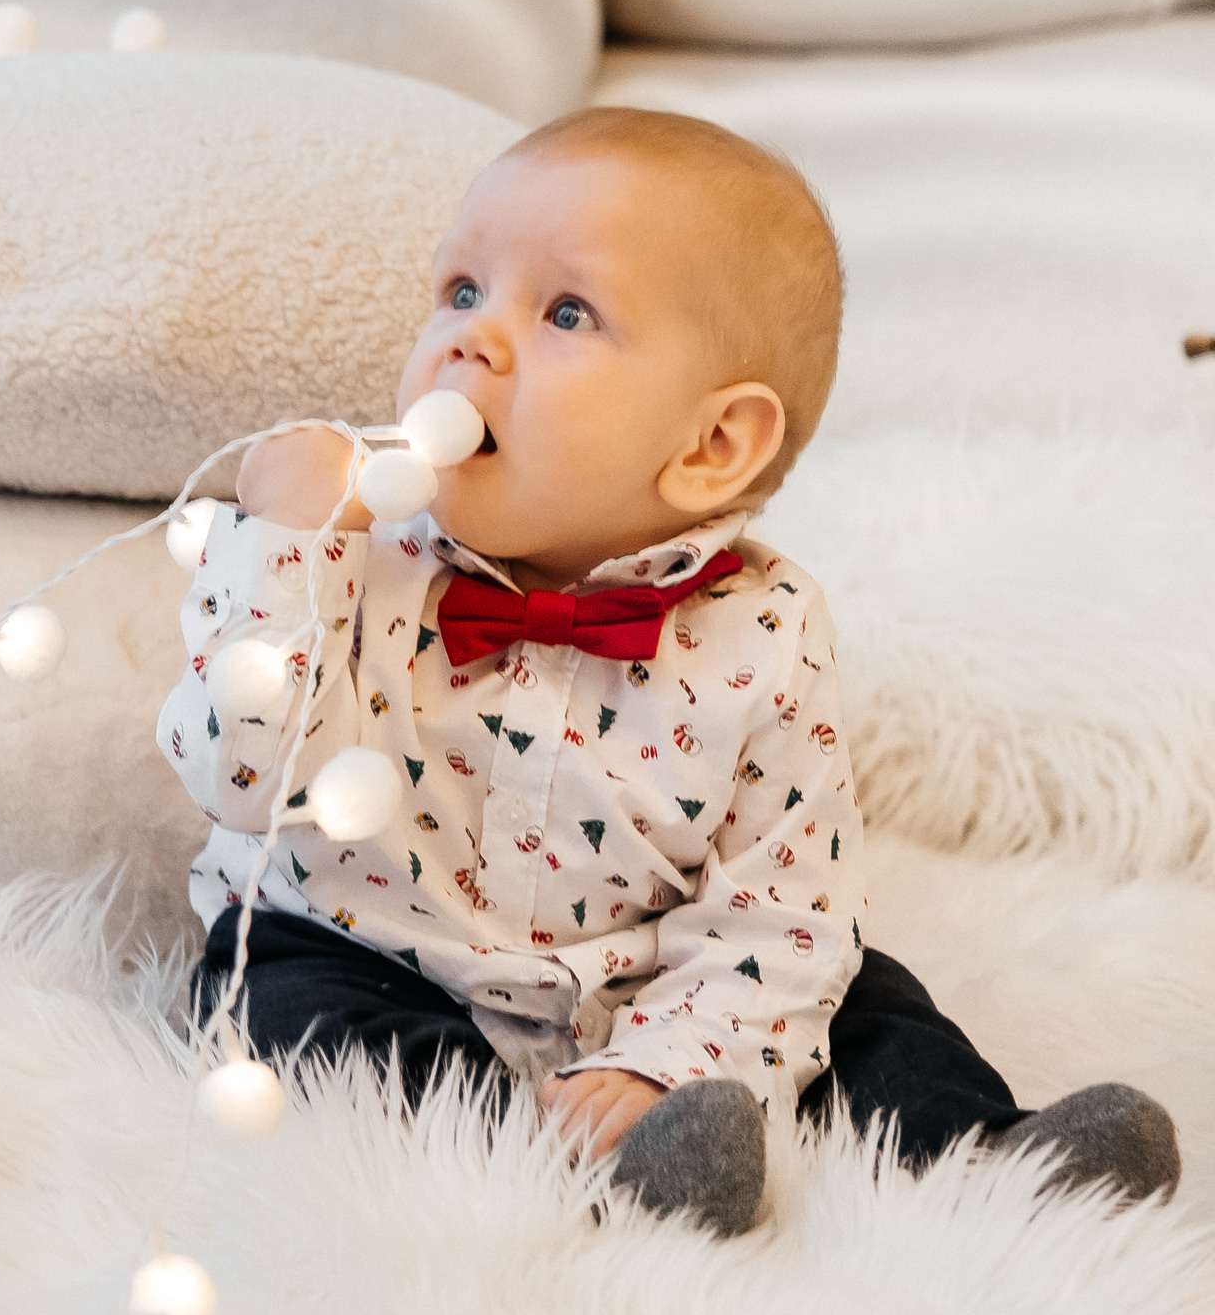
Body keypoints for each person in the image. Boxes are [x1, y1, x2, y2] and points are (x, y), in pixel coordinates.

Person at [157, 107, 1180, 1232]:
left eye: (562, 312)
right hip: (371, 947)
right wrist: (295, 553)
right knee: (282, 999)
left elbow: (777, 901)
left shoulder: (767, 630)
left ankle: (984, 1161)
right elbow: (243, 783)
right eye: (458, 291)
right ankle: (536, 1174)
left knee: (853, 987)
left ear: (709, 449)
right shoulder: (339, 555)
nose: (468, 341)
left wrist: (667, 1059)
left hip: (644, 969)